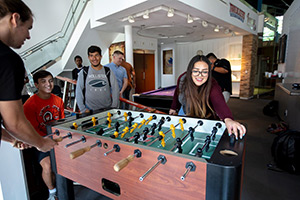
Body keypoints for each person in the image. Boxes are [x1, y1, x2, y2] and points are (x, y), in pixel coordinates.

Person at [0, 0, 56, 151]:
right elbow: (14, 123)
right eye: (28, 28)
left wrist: (12, 139)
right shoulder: (8, 59)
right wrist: (42, 143)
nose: (29, 36)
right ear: (15, 19)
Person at [170, 55, 246, 139]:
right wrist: (173, 108)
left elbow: (219, 103)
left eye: (204, 72)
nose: (200, 75)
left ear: (209, 73)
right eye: (196, 71)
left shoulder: (213, 84)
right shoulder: (182, 79)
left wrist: (228, 119)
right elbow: (177, 93)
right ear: (190, 71)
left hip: (204, 115)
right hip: (184, 111)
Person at [23, 70, 65, 200]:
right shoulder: (29, 104)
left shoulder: (58, 100)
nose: (48, 84)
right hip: (40, 141)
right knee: (48, 165)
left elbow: (62, 122)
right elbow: (29, 129)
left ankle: (62, 188)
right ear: (36, 85)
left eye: (51, 81)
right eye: (43, 81)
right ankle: (52, 194)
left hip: (58, 139)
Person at [76, 45, 119, 113]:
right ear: (88, 57)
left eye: (96, 55)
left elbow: (115, 89)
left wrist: (114, 107)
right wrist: (82, 109)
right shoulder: (84, 72)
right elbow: (79, 91)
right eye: (91, 55)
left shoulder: (108, 71)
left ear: (101, 56)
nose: (94, 58)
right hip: (89, 110)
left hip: (107, 109)